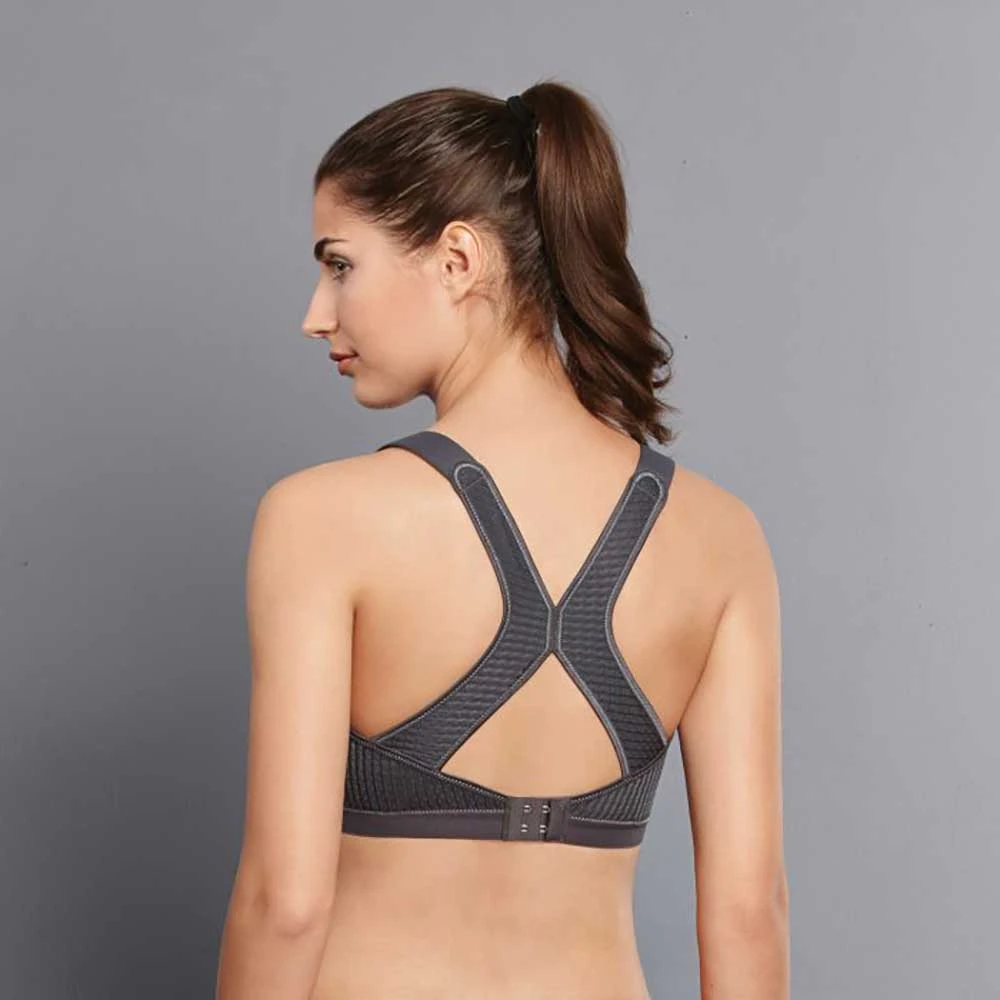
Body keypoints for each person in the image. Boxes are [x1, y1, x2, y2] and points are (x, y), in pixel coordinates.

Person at [216, 79, 789, 1000]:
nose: (317, 313)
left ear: (457, 259)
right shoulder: (722, 538)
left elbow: (285, 903)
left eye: (341, 265)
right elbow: (748, 913)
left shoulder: (321, 519)